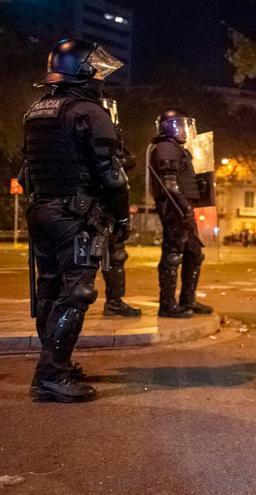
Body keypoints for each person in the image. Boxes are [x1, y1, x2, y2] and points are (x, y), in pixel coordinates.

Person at [22, 39, 130, 402]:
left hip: (41, 211)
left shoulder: (37, 110)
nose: (100, 75)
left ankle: (56, 362)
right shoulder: (88, 111)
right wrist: (122, 215)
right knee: (77, 292)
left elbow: (27, 173)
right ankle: (50, 374)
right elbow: (111, 176)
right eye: (95, 68)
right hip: (74, 214)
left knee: (50, 290)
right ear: (82, 71)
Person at [149, 108, 213, 318]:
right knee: (173, 256)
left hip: (188, 208)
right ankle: (167, 305)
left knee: (194, 254)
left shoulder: (180, 149)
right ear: (169, 127)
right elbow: (170, 185)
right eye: (180, 126)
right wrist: (184, 207)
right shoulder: (166, 147)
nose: (185, 131)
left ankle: (188, 300)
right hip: (176, 210)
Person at [99, 97, 141, 317]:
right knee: (80, 259)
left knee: (115, 255)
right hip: (89, 203)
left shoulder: (113, 137)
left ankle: (114, 301)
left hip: (110, 204)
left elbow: (129, 159)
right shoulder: (87, 132)